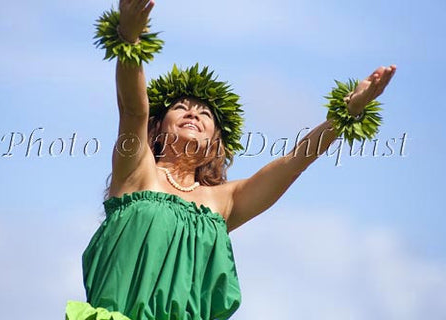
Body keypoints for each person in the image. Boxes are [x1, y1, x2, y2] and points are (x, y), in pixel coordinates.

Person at [65, 0, 396, 319]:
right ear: (158, 127)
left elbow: (295, 161)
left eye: (205, 112)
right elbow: (133, 108)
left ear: (215, 143)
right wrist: (129, 39)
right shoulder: (136, 172)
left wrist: (345, 115)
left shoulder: (223, 202)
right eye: (180, 107)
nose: (193, 112)